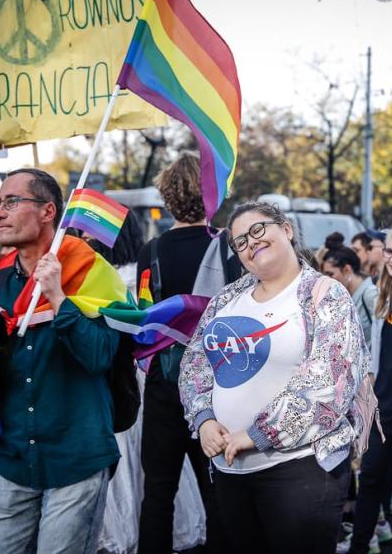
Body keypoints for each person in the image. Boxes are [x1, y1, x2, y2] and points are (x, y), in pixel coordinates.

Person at [179, 201, 368, 554]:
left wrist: (256, 434)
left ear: (286, 229)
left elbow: (330, 383)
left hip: (298, 474)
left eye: (258, 230)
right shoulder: (226, 298)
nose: (251, 243)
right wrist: (204, 420)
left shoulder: (324, 295)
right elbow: (195, 363)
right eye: (240, 242)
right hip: (231, 472)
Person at [0, 168, 121, 553]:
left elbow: (100, 356)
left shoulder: (91, 270)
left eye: (11, 202)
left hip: (76, 458)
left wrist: (58, 298)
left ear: (48, 211)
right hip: (15, 458)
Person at [136, 153, 239, 554]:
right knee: (216, 489)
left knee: (158, 492)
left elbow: (145, 315)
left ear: (167, 197)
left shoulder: (152, 251)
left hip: (165, 382)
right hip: (216, 385)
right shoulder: (227, 247)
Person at [342, 228, 392, 554]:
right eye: (389, 251)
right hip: (380, 405)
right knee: (369, 480)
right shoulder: (382, 296)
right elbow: (374, 356)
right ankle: (360, 546)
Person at [321, 232, 378, 346]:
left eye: (330, 274)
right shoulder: (344, 297)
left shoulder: (370, 294)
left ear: (347, 270)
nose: (327, 280)